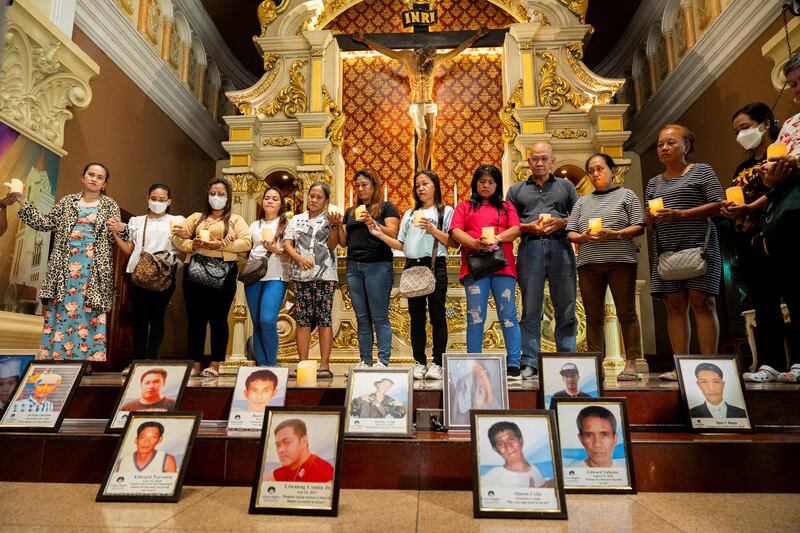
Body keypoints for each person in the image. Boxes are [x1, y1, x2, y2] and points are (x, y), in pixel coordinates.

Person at [14, 163, 127, 361]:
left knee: (88, 310)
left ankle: (84, 363)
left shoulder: (110, 205)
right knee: (62, 308)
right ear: (82, 177)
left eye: (99, 177)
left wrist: (121, 227)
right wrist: (24, 201)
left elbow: (121, 236)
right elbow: (44, 222)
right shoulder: (67, 202)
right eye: (90, 174)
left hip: (94, 269)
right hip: (63, 266)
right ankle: (56, 357)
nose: (94, 179)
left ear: (104, 184)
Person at [645, 125, 725, 381]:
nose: (663, 148)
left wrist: (680, 215)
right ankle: (681, 366)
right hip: (667, 251)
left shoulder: (701, 171)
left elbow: (719, 205)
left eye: (670, 143)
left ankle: (710, 366)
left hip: (700, 247)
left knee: (702, 303)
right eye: (659, 144)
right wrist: (649, 218)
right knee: (674, 307)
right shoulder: (654, 182)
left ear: (686, 146)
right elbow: (650, 218)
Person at [353, 27, 489, 171]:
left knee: (430, 136)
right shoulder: (407, 57)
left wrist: (475, 37)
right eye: (426, 60)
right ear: (420, 55)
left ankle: (426, 170)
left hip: (429, 103)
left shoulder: (435, 60)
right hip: (417, 104)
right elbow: (386, 51)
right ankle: (421, 167)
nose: (428, 62)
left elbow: (456, 51)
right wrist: (365, 40)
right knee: (422, 136)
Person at [721, 103, 787, 383]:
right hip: (748, 241)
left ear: (765, 124)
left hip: (778, 236)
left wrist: (750, 208)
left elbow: (777, 191)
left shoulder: (782, 159)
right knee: (763, 303)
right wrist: (731, 209)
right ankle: (770, 363)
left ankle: (796, 362)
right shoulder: (743, 167)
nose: (740, 135)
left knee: (793, 298)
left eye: (745, 128)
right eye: (736, 131)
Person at [368, 170, 454, 380]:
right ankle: (419, 361)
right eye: (417, 186)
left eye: (425, 184)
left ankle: (438, 362)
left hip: (435, 265)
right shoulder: (408, 213)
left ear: (435, 186)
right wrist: (380, 235)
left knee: (437, 316)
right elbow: (401, 244)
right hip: (411, 266)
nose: (421, 188)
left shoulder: (445, 211)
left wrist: (432, 229)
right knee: (416, 317)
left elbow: (453, 243)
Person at [567, 154, 645, 381]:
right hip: (589, 265)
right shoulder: (582, 202)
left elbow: (639, 226)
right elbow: (570, 232)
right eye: (590, 171)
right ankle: (595, 363)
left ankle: (631, 362)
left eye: (600, 169)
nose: (595, 174)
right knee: (593, 317)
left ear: (612, 170)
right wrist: (581, 237)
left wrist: (616, 233)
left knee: (627, 313)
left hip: (621, 261)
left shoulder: (626, 196)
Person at [506, 142, 579, 379]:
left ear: (552, 160)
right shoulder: (516, 190)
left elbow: (580, 216)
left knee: (565, 306)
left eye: (544, 158)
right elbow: (510, 224)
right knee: (530, 308)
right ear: (529, 161)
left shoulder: (565, 186)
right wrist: (528, 227)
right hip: (530, 249)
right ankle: (530, 362)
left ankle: (566, 358)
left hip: (561, 247)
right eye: (535, 158)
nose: (539, 163)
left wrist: (562, 222)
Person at [172, 178, 252, 377]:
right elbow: (176, 237)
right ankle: (195, 364)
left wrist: (221, 246)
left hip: (224, 273)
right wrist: (193, 244)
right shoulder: (196, 218)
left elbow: (247, 242)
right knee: (195, 320)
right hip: (195, 271)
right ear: (207, 196)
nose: (217, 198)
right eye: (213, 194)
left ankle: (215, 364)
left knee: (218, 319)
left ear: (229, 198)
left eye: (222, 194)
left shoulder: (235, 219)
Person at [450, 165, 522, 379]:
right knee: (475, 316)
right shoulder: (464, 207)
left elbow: (516, 229)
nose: (486, 185)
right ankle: (474, 361)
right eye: (482, 181)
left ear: (497, 185)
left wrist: (496, 239)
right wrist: (474, 242)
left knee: (508, 314)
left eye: (491, 182)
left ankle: (514, 363)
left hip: (503, 267)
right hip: (476, 268)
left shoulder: (506, 207)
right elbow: (455, 231)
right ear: (475, 183)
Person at [757, 53, 800, 383]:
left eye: (799, 83)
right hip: (790, 215)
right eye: (792, 86)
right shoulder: (790, 125)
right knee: (794, 291)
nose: (795, 91)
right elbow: (776, 172)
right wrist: (772, 179)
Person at [113, 184, 185, 368]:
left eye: (161, 200)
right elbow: (130, 249)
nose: (157, 202)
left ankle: (152, 360)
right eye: (153, 198)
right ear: (147, 198)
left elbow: (183, 244)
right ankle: (137, 361)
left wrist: (186, 234)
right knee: (139, 319)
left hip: (164, 274)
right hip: (138, 273)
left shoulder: (177, 220)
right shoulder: (136, 221)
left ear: (169, 201)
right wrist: (116, 233)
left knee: (158, 317)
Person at [337, 169, 400, 368]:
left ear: (374, 186)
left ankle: (382, 360)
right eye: (357, 185)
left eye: (365, 184)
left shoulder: (386, 207)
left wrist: (374, 223)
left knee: (379, 315)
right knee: (362, 317)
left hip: (378, 265)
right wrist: (336, 226)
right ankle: (365, 360)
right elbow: (343, 242)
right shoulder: (350, 211)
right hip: (354, 266)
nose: (361, 188)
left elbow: (394, 234)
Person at [284, 182, 340, 379]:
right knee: (303, 319)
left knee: (324, 317)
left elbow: (333, 245)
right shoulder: (296, 220)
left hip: (325, 276)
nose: (314, 200)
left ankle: (324, 366)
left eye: (318, 197)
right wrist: (298, 258)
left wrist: (334, 227)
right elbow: (288, 244)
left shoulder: (331, 219)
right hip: (300, 276)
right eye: (311, 196)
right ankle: (303, 364)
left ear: (326, 201)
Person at [244, 187, 290, 368]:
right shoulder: (254, 225)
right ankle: (261, 364)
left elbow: (292, 252)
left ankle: (272, 365)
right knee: (256, 323)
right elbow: (246, 248)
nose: (270, 201)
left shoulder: (286, 224)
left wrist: (275, 250)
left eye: (275, 199)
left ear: (281, 204)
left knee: (267, 320)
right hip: (254, 276)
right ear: (262, 202)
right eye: (267, 198)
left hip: (276, 276)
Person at [481, 421, 550, 488]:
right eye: (501, 444)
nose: (508, 446)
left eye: (512, 440)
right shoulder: (491, 478)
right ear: (496, 450)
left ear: (521, 441)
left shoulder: (535, 471)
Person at [265, 418, 334, 483]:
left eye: (287, 442)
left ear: (303, 441)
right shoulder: (289, 467)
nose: (280, 450)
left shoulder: (322, 471)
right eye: (278, 445)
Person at [449, 361, 498, 426]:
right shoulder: (469, 414)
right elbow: (454, 420)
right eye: (474, 385)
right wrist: (458, 388)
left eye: (480, 391)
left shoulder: (488, 420)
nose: (475, 393)